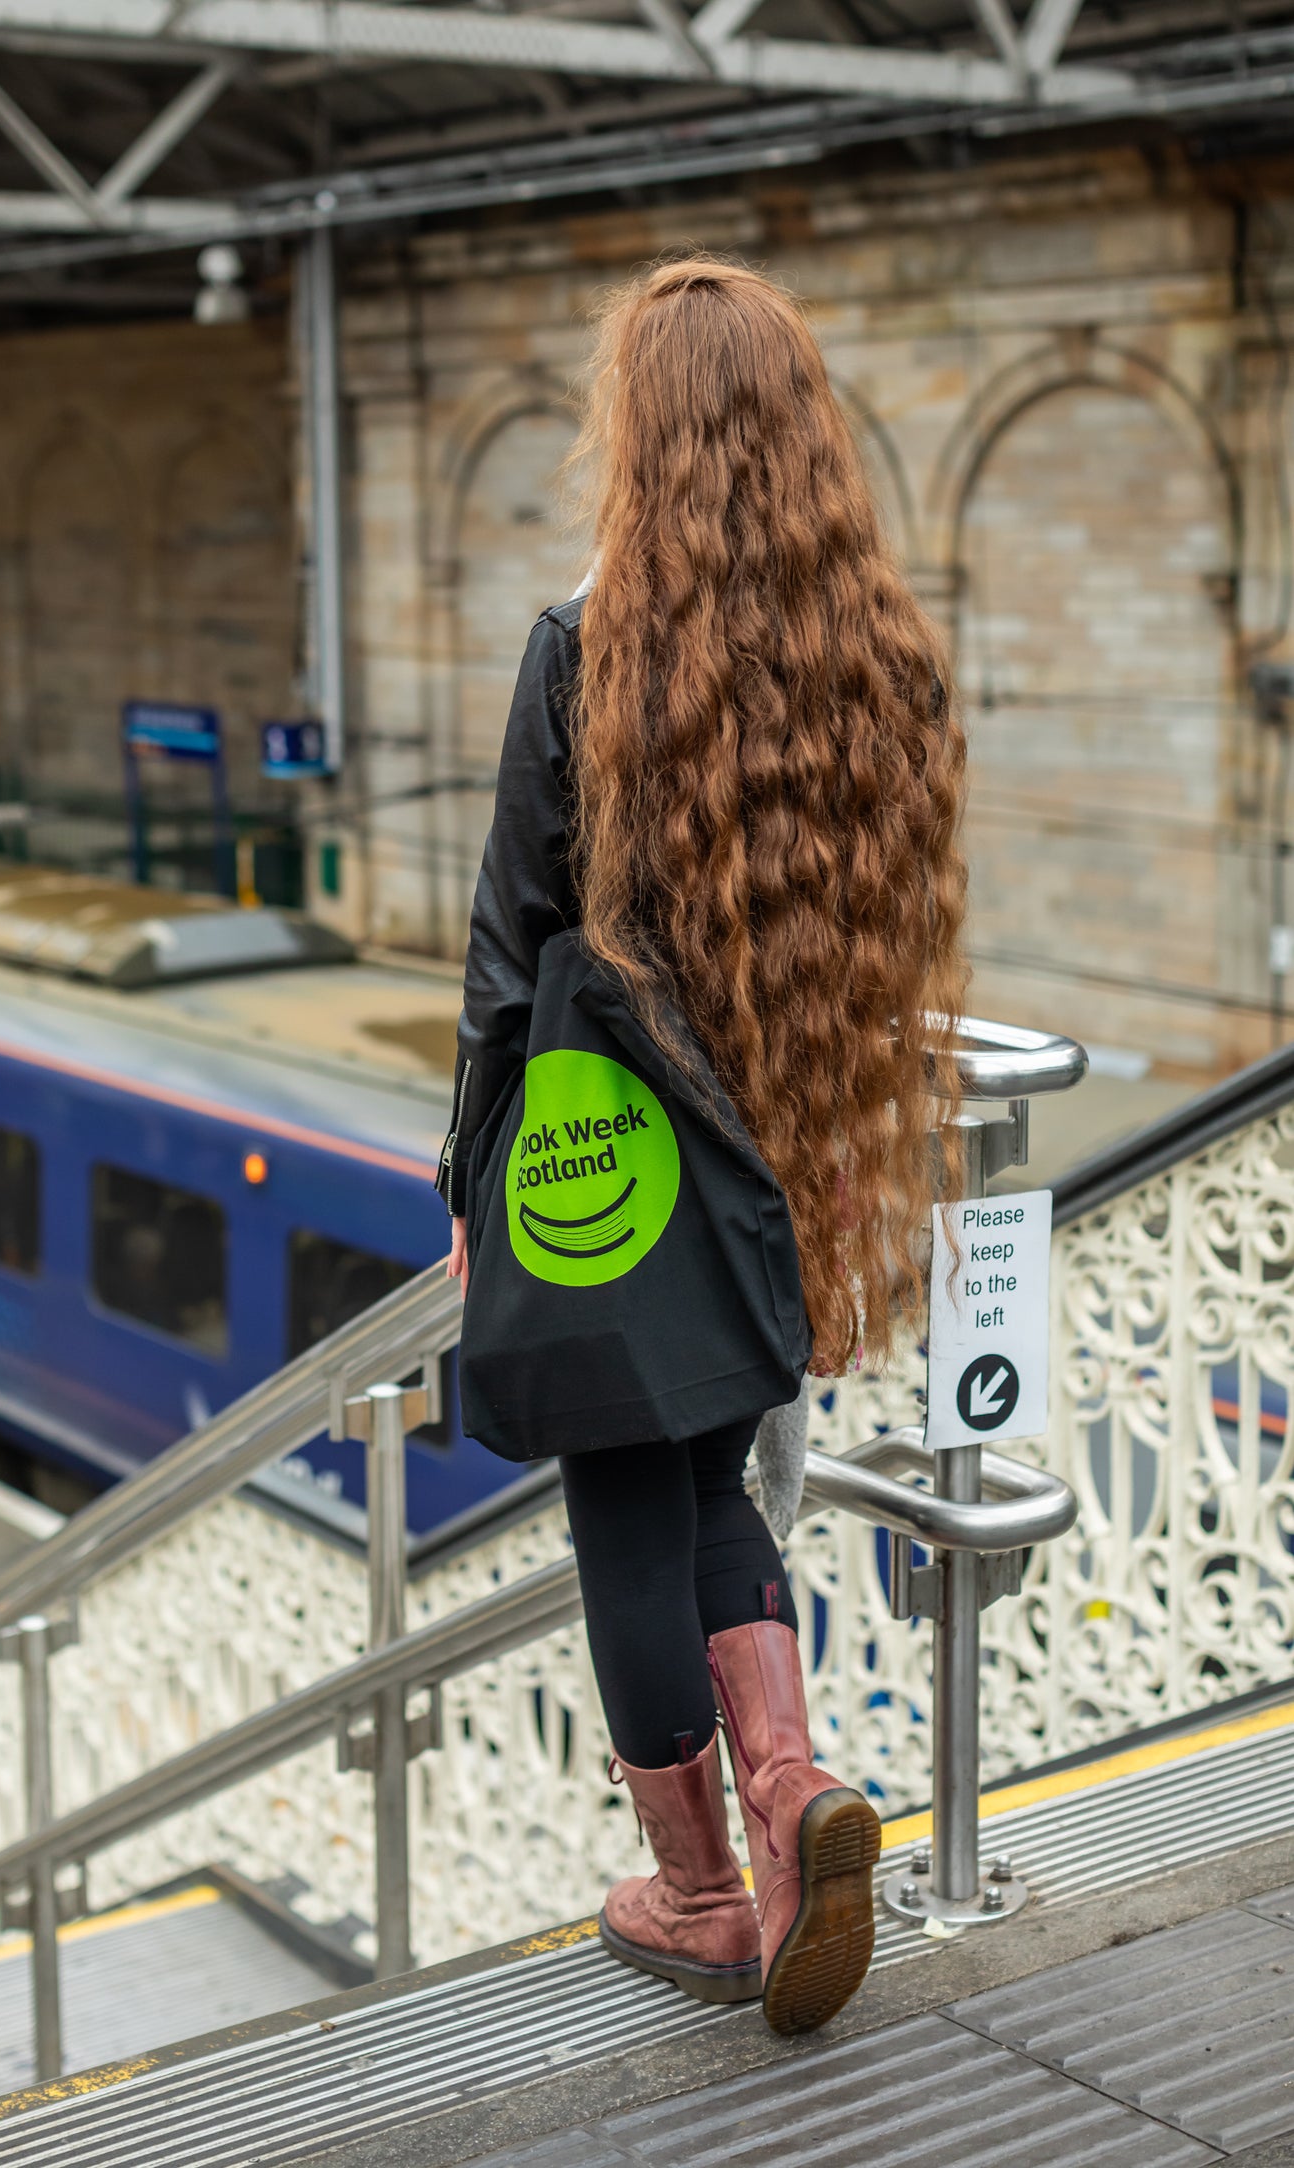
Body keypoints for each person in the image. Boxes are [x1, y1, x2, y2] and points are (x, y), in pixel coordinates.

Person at [438, 258, 968, 2036]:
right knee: (714, 1489)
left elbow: (510, 956)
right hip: (782, 1150)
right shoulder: (875, 655)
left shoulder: (582, 649)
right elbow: (876, 948)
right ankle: (790, 1786)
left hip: (606, 1162)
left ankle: (698, 1897)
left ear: (638, 431)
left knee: (622, 1505)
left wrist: (467, 1183)